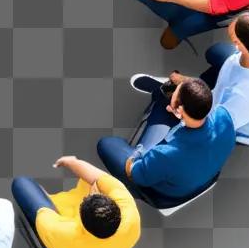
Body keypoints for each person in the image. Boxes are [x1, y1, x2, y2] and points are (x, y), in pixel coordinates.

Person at [131, 12, 249, 147]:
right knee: (217, 52)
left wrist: (183, 109)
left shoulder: (244, 98)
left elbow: (210, 126)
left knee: (163, 106)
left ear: (239, 44)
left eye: (233, 34)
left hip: (239, 128)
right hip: (228, 87)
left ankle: (145, 155)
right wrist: (188, 82)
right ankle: (192, 86)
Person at [97, 78, 235, 209]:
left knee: (107, 144)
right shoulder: (224, 116)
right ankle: (159, 96)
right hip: (204, 174)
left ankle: (138, 155)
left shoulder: (165, 154)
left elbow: (137, 174)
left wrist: (140, 154)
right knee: (163, 100)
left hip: (169, 193)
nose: (173, 95)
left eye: (174, 94)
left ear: (179, 110)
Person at [11, 156, 141, 248]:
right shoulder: (129, 209)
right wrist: (73, 162)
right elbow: (99, 177)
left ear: (80, 219)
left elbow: (43, 208)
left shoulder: (60, 231)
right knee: (101, 183)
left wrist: (71, 161)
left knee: (21, 182)